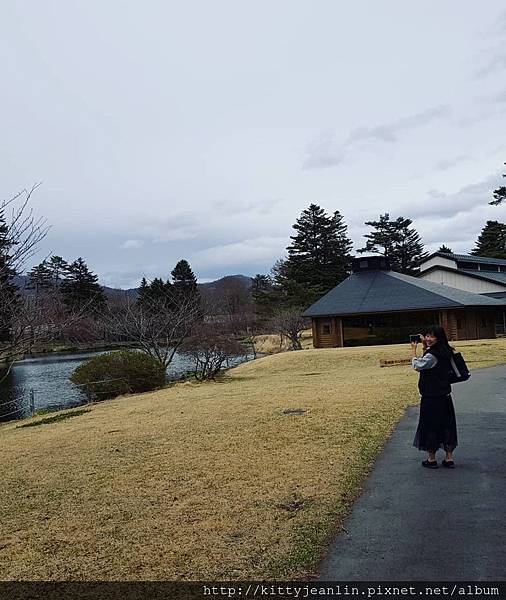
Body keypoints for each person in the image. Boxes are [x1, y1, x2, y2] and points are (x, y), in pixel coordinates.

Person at [411, 325, 458, 469]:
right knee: (447, 425)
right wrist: (425, 346)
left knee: (430, 426)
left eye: (431, 336)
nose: (428, 339)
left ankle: (431, 459)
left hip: (431, 397)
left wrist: (413, 351)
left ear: (438, 337)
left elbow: (418, 365)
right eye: (426, 336)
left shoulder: (432, 355)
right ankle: (449, 458)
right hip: (445, 395)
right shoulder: (446, 351)